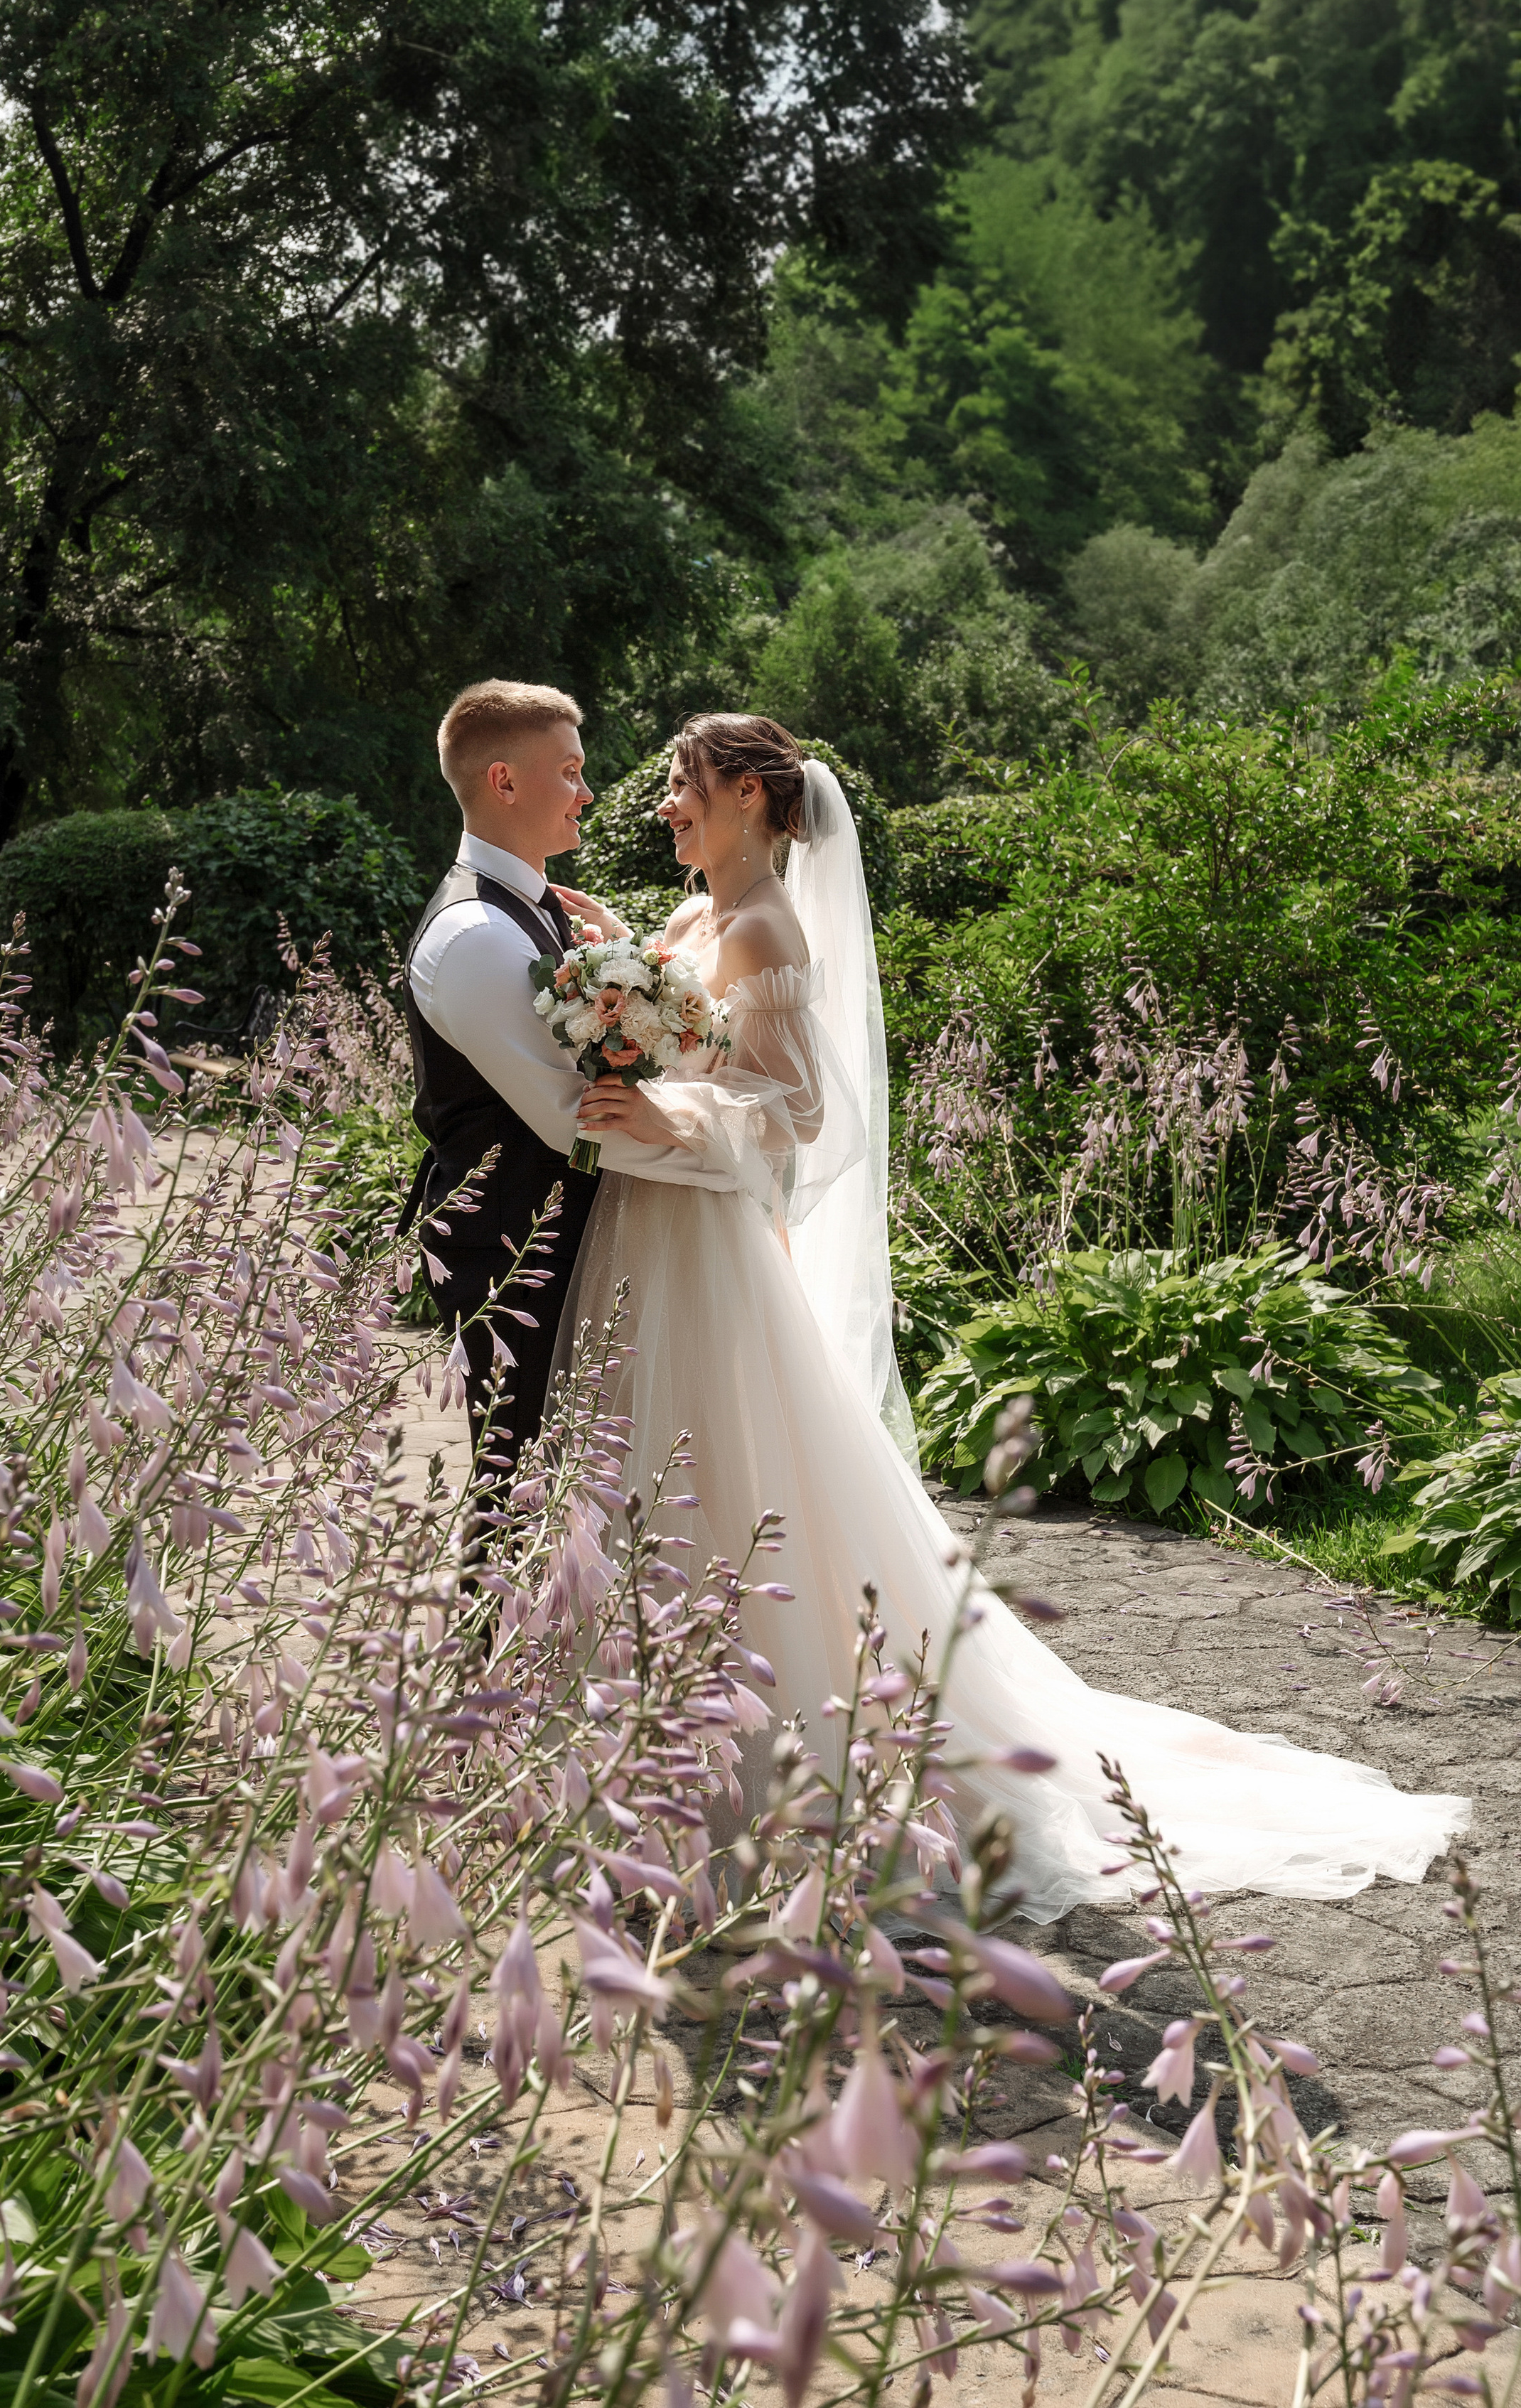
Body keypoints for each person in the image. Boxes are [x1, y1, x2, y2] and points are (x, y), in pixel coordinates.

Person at [554, 712, 1471, 1920]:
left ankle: (746, 1778)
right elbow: (691, 1030)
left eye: (685, 785)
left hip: (707, 1243)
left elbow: (798, 1111)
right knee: (642, 1475)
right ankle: (621, 1755)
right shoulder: (690, 917)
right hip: (648, 1230)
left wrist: (672, 1122)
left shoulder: (769, 926)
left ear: (754, 803)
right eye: (672, 786)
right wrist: (620, 968)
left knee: (728, 1481)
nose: (666, 803)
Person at [402, 680, 748, 1478]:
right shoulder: (477, 935)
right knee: (519, 1493)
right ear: (504, 781)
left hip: (553, 1240)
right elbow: (574, 1117)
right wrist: (728, 1161)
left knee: (567, 1494)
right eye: (570, 771)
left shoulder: (532, 907)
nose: (588, 793)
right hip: (511, 1253)